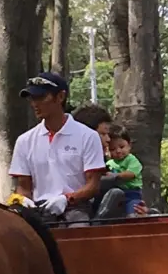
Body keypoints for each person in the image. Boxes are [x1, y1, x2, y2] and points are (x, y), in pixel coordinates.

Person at [8, 73, 107, 226]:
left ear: (60, 97)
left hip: (76, 208)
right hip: (38, 210)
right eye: (32, 98)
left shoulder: (87, 136)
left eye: (41, 97)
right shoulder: (24, 141)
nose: (35, 103)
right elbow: (23, 186)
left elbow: (93, 185)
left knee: (78, 235)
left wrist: (66, 199)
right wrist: (23, 201)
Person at [106, 125, 144, 215]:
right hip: (115, 195)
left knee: (132, 210)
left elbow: (130, 174)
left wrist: (115, 175)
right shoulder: (109, 163)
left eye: (122, 147)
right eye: (113, 149)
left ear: (129, 145)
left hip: (132, 193)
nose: (118, 151)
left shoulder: (132, 159)